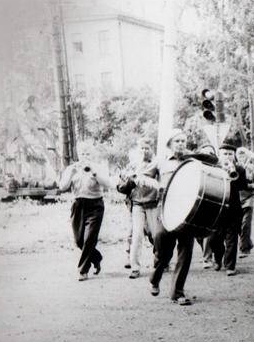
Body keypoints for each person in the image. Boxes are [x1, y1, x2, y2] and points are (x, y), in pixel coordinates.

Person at [136, 129, 216, 305]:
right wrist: (150, 182)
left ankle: (177, 293)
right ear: (169, 144)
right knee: (161, 242)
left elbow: (214, 161)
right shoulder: (161, 162)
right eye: (177, 141)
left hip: (187, 210)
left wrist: (193, 154)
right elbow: (141, 176)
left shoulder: (192, 160)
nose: (181, 144)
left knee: (185, 251)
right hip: (165, 209)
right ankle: (155, 277)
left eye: (183, 141)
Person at [58, 142, 111, 281]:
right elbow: (62, 186)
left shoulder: (98, 167)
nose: (85, 156)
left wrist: (95, 173)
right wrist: (71, 173)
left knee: (89, 239)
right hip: (78, 205)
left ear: (92, 155)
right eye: (83, 153)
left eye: (88, 153)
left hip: (95, 205)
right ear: (78, 154)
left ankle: (83, 270)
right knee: (78, 240)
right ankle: (97, 257)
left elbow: (108, 184)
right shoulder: (72, 168)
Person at [206, 138, 252, 276]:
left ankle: (230, 265)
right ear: (220, 155)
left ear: (234, 156)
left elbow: (243, 187)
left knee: (231, 238)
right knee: (214, 239)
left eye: (230, 154)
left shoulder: (239, 169)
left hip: (233, 208)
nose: (227, 156)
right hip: (216, 208)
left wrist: (233, 173)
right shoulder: (213, 168)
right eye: (225, 154)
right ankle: (218, 258)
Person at [118, 138, 158, 279]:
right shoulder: (132, 165)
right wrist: (129, 178)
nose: (144, 151)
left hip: (153, 203)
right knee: (137, 236)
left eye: (147, 148)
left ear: (151, 149)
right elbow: (121, 186)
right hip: (137, 204)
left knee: (156, 235)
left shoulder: (156, 164)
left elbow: (161, 183)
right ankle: (135, 267)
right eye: (141, 148)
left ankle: (160, 262)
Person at [236, 146, 254, 258]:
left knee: (245, 224)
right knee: (238, 225)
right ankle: (248, 243)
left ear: (247, 156)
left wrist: (248, 185)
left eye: (243, 154)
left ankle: (244, 249)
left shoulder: (253, 168)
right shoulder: (234, 167)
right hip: (236, 199)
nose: (241, 157)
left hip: (249, 198)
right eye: (239, 155)